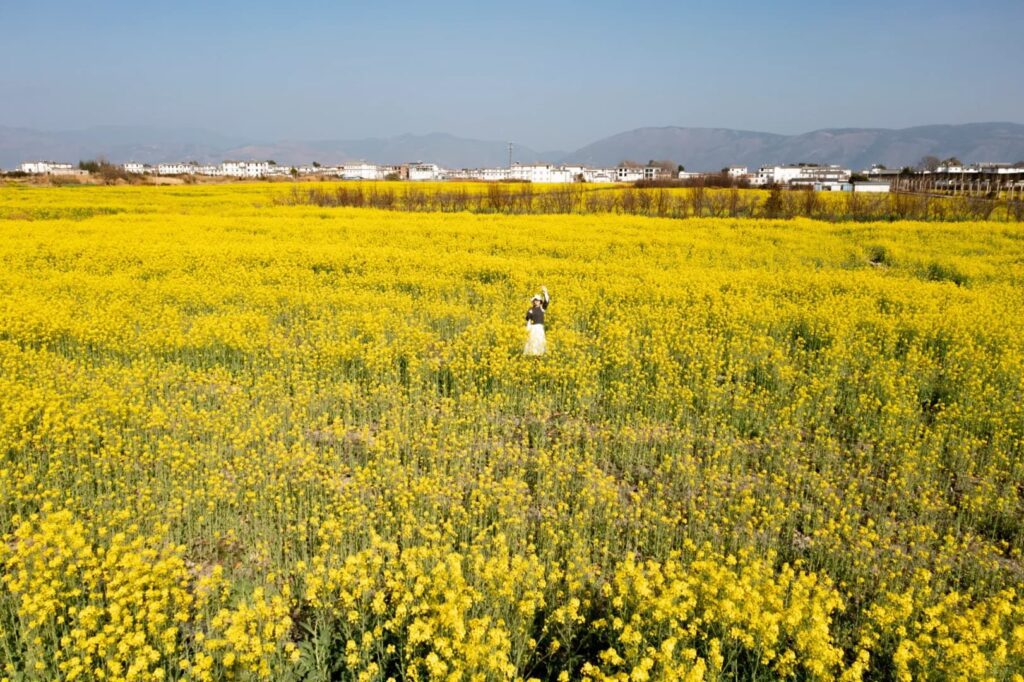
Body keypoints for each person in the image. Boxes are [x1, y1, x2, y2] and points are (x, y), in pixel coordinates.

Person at [524, 286, 550, 356]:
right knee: (532, 342)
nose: (536, 302)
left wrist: (545, 292)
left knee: (539, 341)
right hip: (533, 328)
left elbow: (547, 301)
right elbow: (527, 319)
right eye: (535, 300)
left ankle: (539, 356)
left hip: (539, 328)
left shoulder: (542, 308)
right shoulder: (530, 309)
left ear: (540, 302)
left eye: (538, 300)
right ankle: (532, 355)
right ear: (533, 301)